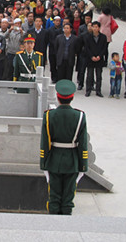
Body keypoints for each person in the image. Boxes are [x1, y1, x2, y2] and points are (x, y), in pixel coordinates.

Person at [40, 79, 88, 215]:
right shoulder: (80, 116)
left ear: (57, 97)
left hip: (54, 160)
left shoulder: (49, 115)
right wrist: (83, 165)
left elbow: (45, 142)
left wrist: (44, 163)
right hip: (72, 161)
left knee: (54, 197)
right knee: (68, 198)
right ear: (72, 97)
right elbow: (82, 144)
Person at [82, 21, 108, 97]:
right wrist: (91, 56)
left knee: (99, 76)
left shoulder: (103, 37)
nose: (95, 28)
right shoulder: (88, 37)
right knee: (89, 75)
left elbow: (104, 48)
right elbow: (87, 48)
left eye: (96, 27)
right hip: (90, 58)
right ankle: (88, 90)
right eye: (93, 27)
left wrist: (99, 56)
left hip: (99, 59)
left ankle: (98, 91)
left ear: (99, 28)